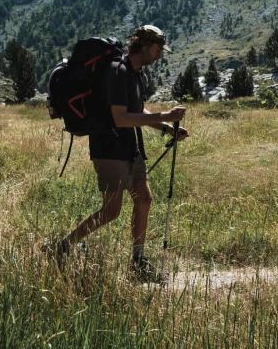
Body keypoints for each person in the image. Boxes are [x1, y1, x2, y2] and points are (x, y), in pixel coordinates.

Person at [46, 25, 188, 282]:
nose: (159, 56)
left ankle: (138, 262)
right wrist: (166, 115)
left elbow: (137, 111)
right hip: (108, 148)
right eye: (157, 50)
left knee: (144, 199)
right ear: (144, 46)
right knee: (111, 211)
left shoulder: (134, 73)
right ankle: (63, 246)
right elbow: (121, 118)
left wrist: (166, 127)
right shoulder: (117, 71)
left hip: (128, 146)